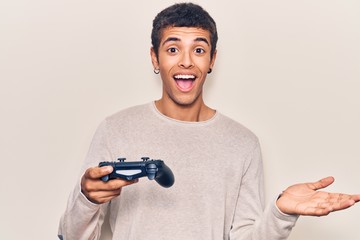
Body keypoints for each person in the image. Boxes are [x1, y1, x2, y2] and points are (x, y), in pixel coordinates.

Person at [58, 3, 360, 240]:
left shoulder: (243, 143)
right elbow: (73, 237)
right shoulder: (116, 128)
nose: (186, 61)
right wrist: (87, 199)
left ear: (212, 59)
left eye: (199, 50)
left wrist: (280, 213)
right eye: (173, 49)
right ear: (154, 58)